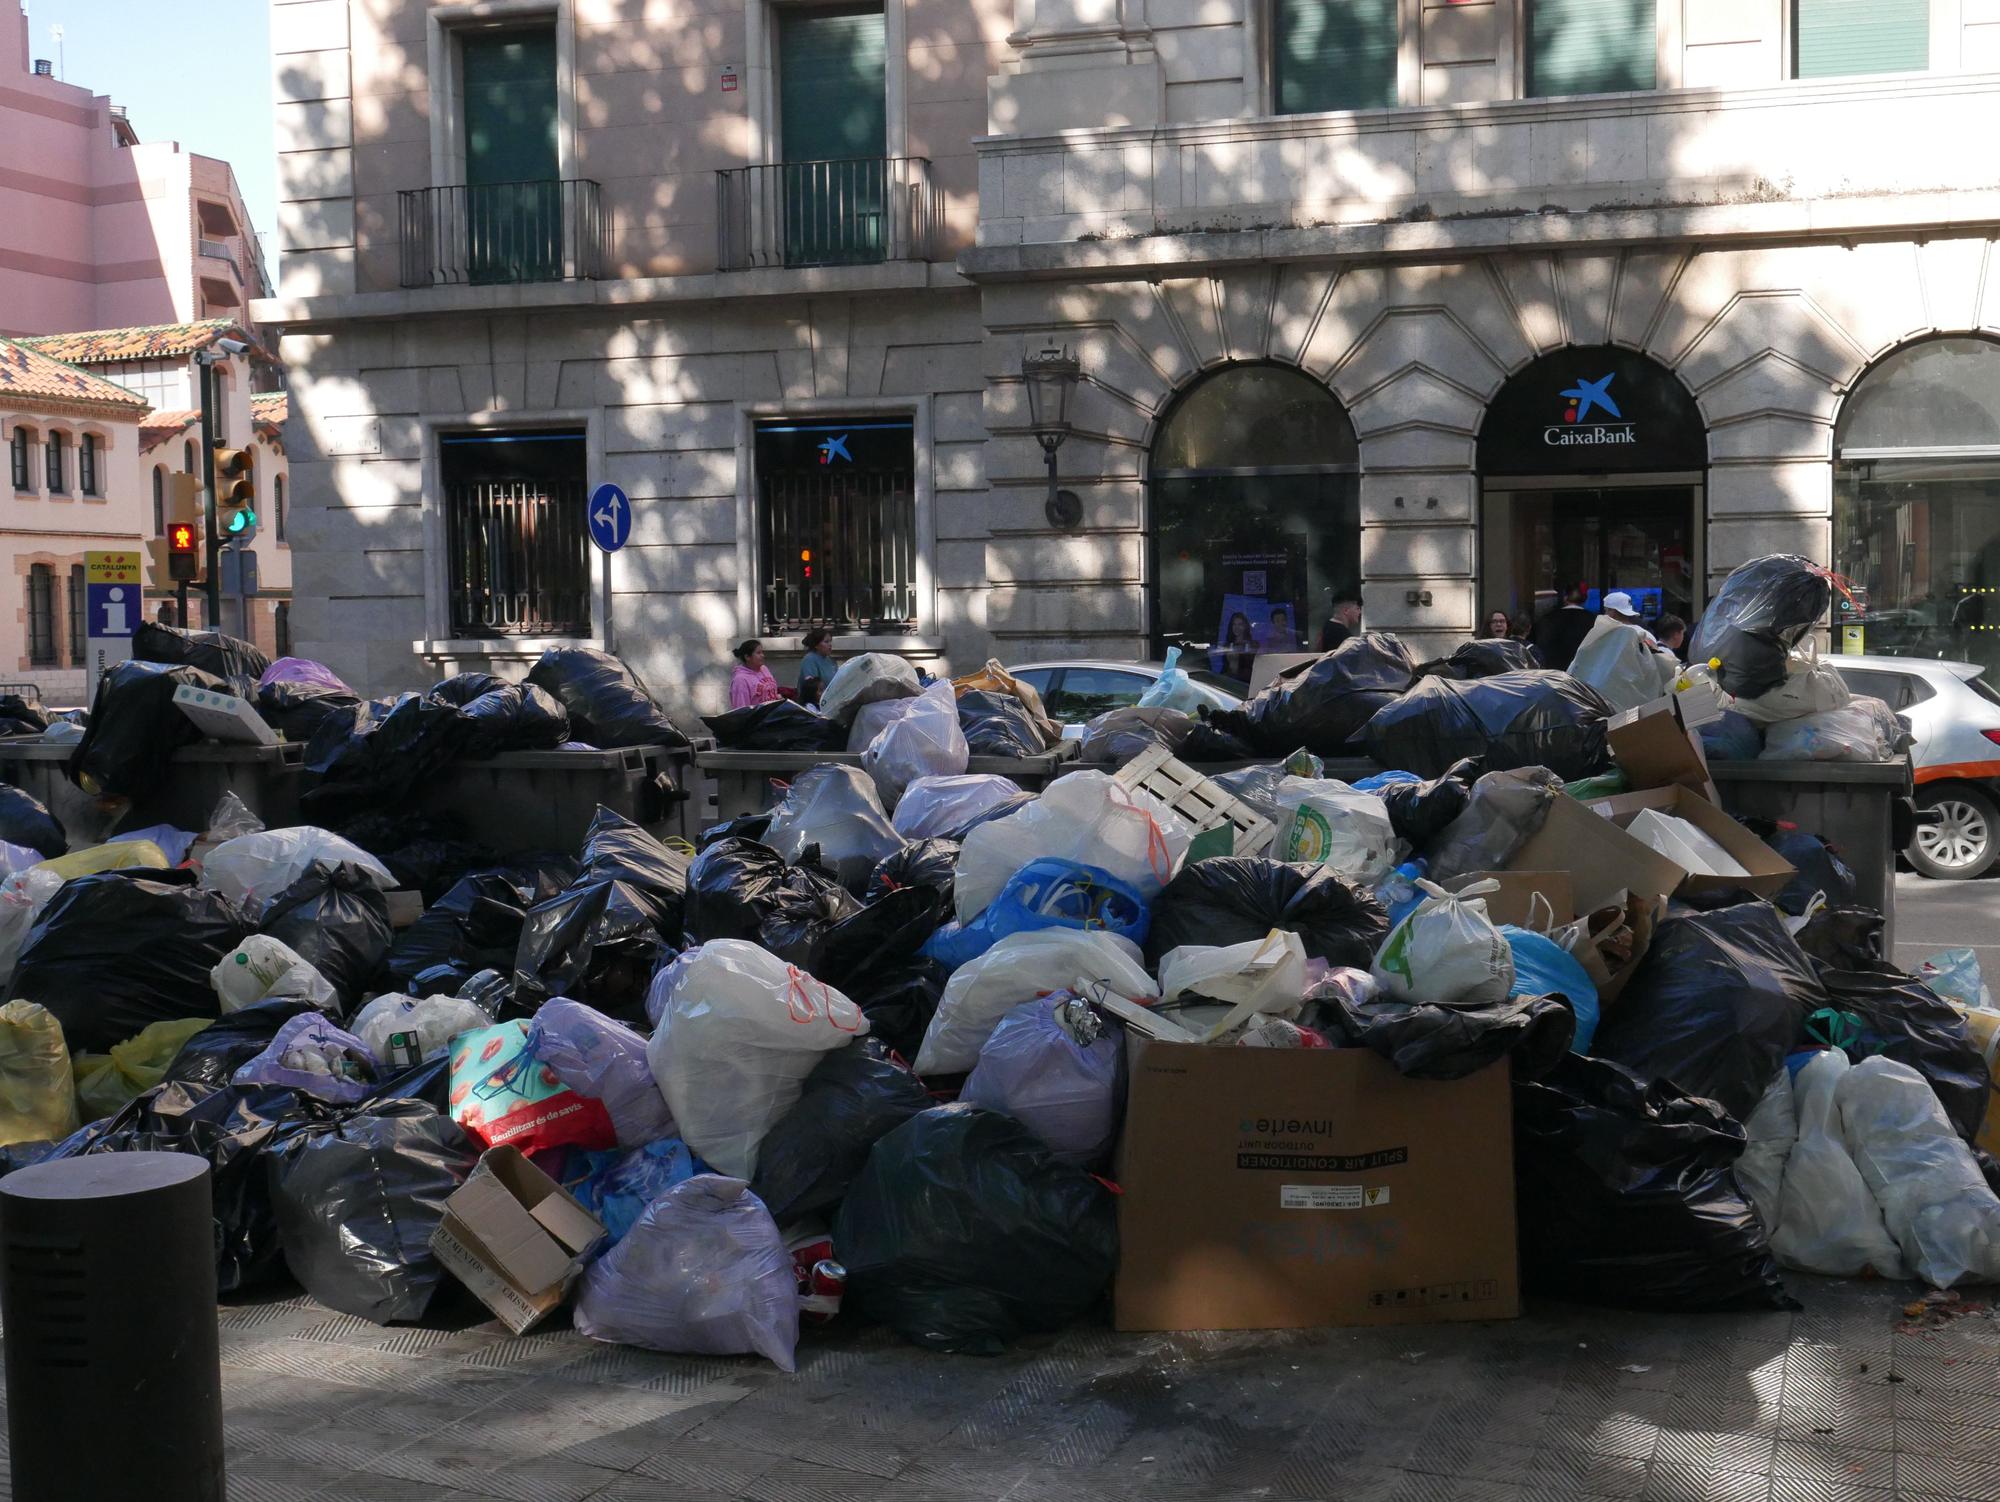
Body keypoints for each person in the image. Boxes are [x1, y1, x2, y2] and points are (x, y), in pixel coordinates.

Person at [1530, 585, 1597, 672]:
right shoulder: (1593, 620)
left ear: (1565, 598)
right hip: (1583, 672)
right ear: (1584, 600)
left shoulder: (1548, 619)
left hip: (1554, 672)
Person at [729, 639, 782, 709]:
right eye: (758, 653)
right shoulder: (740, 680)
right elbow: (741, 710)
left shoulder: (764, 669)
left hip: (772, 716)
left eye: (762, 652)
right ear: (747, 657)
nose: (763, 655)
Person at [797, 627, 836, 707]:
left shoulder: (830, 660)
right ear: (816, 645)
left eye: (830, 641)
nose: (830, 645)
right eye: (826, 642)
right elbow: (813, 688)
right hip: (815, 705)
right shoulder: (810, 660)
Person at [1221, 611, 1256, 681]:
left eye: (1240, 624)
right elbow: (1224, 668)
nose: (1236, 627)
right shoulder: (1227, 645)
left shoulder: (1253, 645)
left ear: (1245, 626)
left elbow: (1253, 670)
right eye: (1234, 624)